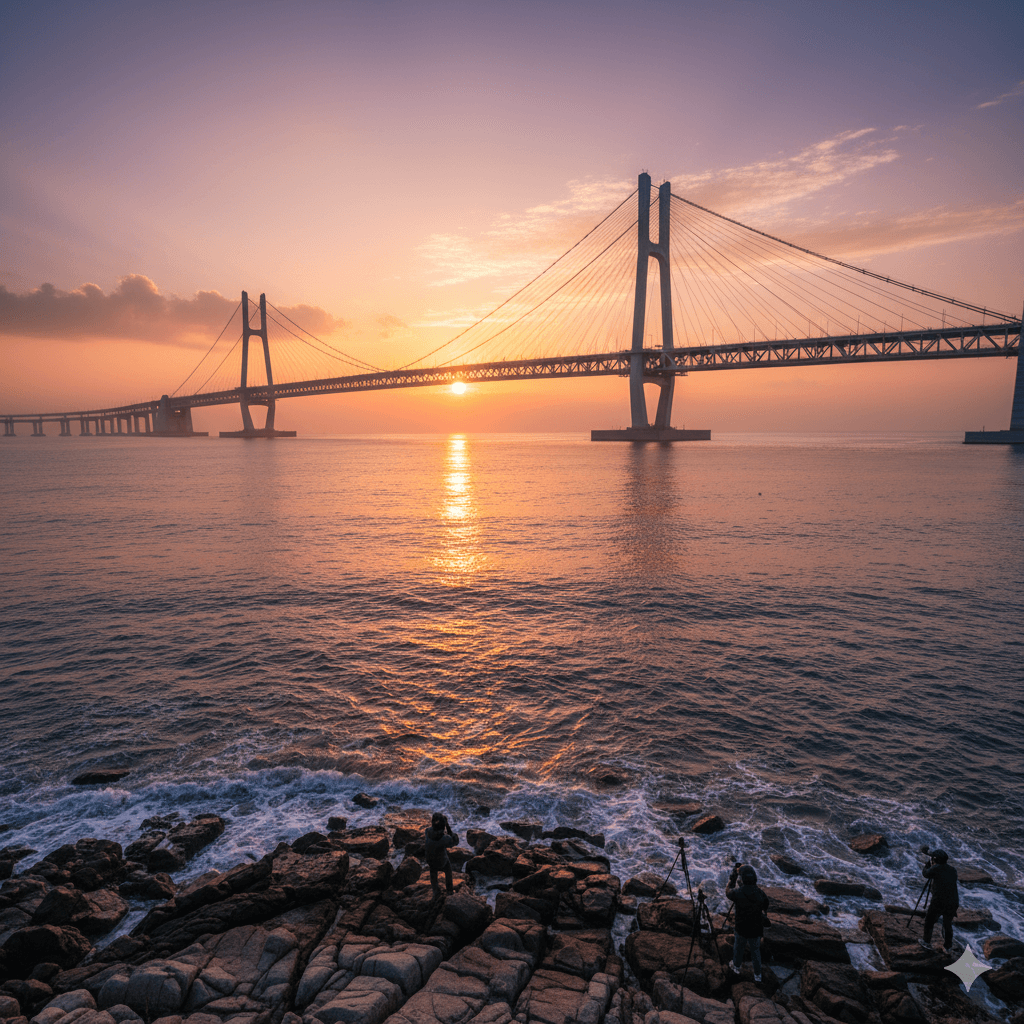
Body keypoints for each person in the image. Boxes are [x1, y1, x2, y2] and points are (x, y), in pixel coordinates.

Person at [726, 863, 770, 982]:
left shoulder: (738, 893)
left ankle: (736, 967)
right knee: (755, 951)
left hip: (741, 928)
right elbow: (766, 905)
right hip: (756, 929)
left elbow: (728, 891)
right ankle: (757, 975)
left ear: (742, 879)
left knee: (738, 948)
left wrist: (733, 878)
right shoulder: (760, 893)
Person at [920, 850, 959, 952]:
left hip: (939, 901)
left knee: (929, 921)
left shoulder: (936, 868)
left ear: (935, 860)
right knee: (947, 924)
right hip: (953, 901)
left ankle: (926, 942)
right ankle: (948, 946)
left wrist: (928, 864)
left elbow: (925, 873)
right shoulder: (952, 870)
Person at [424, 811, 459, 896]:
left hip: (429, 861)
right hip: (441, 862)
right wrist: (447, 825)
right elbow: (455, 842)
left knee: (433, 871)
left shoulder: (427, 831)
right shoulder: (445, 838)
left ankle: (435, 891)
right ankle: (449, 890)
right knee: (448, 868)